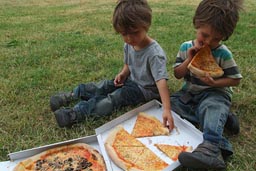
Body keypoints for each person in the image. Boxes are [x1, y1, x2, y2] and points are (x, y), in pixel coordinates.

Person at [50, 0, 174, 131]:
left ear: (146, 25)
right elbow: (128, 64)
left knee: (115, 98)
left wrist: (166, 109)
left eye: (134, 32)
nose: (129, 39)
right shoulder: (128, 45)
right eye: (124, 34)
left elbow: (161, 82)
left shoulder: (154, 54)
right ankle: (72, 95)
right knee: (104, 85)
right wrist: (123, 73)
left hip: (144, 90)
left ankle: (77, 113)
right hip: (131, 80)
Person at [170, 0, 243, 170]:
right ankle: (222, 127)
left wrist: (215, 83)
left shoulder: (223, 54)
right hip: (190, 93)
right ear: (197, 25)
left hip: (215, 93)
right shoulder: (185, 47)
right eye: (204, 35)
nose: (209, 42)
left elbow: (235, 80)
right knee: (171, 107)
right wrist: (189, 59)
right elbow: (177, 74)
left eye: (216, 38)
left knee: (211, 106)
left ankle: (210, 149)